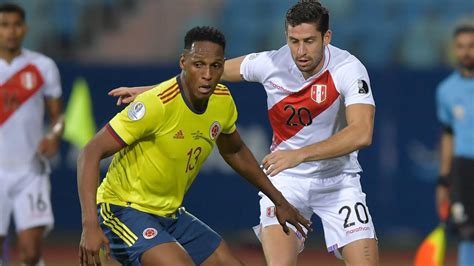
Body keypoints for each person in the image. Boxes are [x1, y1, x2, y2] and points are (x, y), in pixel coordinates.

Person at [109, 1, 378, 265]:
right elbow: (209, 71)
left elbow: (361, 133)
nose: (301, 51)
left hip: (338, 181)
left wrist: (299, 155)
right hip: (286, 182)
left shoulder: (347, 68)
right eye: (294, 41)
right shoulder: (270, 63)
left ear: (326, 37)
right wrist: (151, 90)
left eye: (309, 41)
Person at [78, 26, 310, 266]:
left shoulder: (221, 100)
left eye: (215, 66)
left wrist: (279, 201)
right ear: (183, 63)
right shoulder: (156, 105)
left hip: (170, 214)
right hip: (122, 209)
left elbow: (234, 150)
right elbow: (89, 152)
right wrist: (89, 226)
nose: (208, 74)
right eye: (199, 64)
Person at [0, 3, 64, 265]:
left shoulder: (43, 66)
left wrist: (54, 135)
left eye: (16, 25)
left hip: (31, 171)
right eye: (4, 25)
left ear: (25, 28)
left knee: (30, 252)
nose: (11, 31)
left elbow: (58, 117)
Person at [435, 20, 474, 266]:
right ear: (454, 49)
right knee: (467, 232)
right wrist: (444, 179)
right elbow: (448, 135)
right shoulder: (446, 90)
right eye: (461, 46)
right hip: (463, 169)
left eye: (471, 46)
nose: (466, 51)